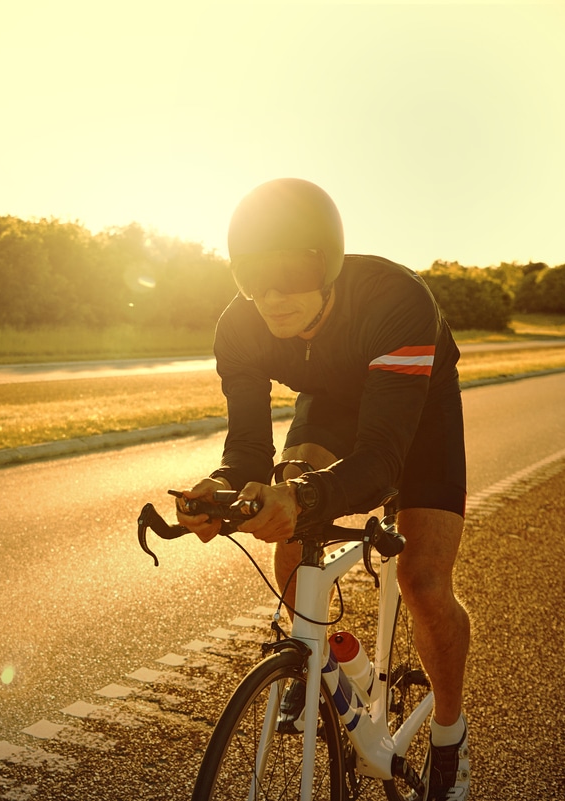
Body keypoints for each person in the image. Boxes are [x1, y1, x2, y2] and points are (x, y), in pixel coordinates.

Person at [178, 178, 471, 800]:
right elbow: (248, 449)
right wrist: (222, 485)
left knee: (422, 579)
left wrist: (306, 497)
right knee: (288, 503)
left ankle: (450, 734)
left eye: (289, 272)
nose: (272, 294)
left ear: (328, 265)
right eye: (252, 277)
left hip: (416, 412)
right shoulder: (240, 325)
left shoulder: (396, 301)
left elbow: (383, 460)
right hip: (331, 405)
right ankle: (315, 658)